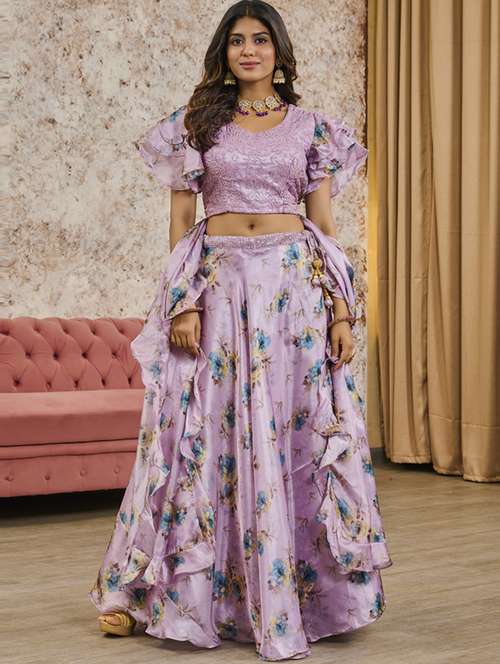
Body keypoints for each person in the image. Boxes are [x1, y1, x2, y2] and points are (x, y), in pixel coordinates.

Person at [89, 1, 393, 660]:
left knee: (293, 433)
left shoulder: (314, 129)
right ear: (223, 53)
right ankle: (175, 592)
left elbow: (324, 228)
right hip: (221, 288)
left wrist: (343, 311)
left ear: (279, 51)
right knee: (202, 433)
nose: (248, 50)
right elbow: (181, 222)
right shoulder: (198, 123)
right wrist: (183, 303)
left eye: (260, 39)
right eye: (236, 41)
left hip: (293, 295)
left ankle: (299, 598)